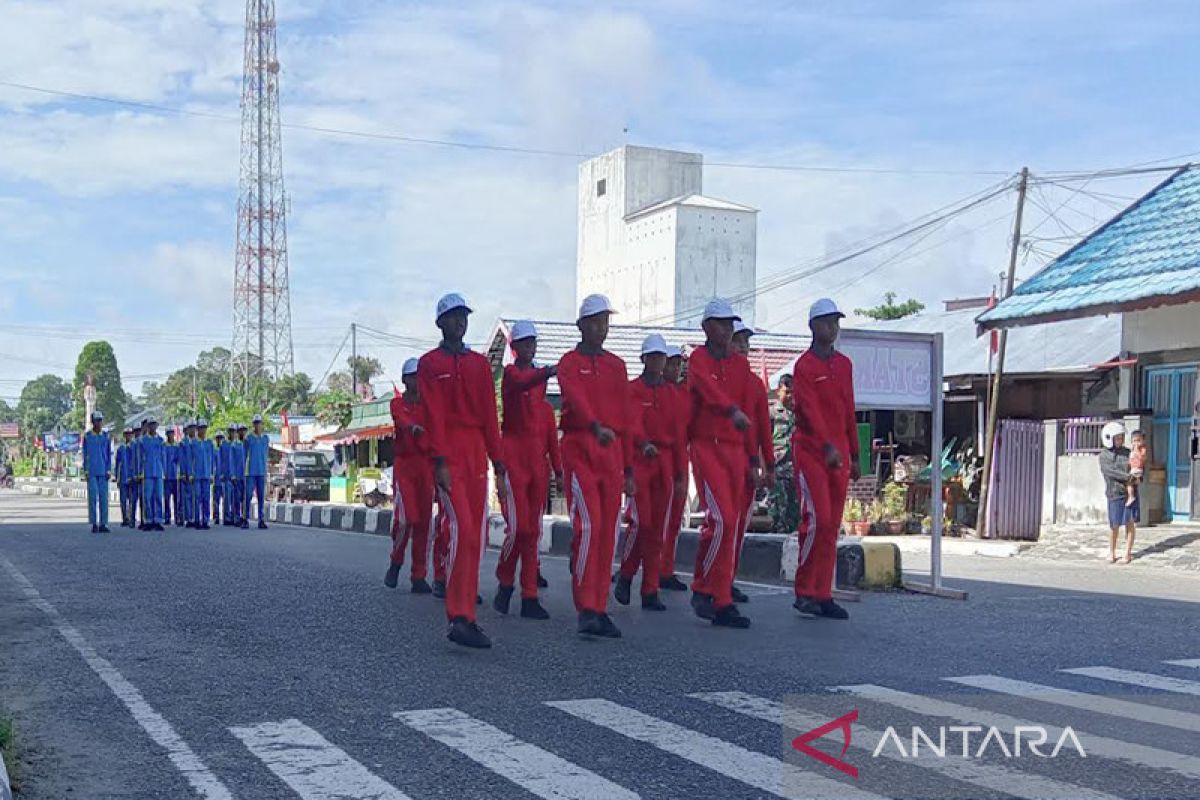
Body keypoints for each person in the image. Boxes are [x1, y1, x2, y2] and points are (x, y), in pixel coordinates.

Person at [418, 293, 506, 649]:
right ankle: (457, 614)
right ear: (440, 322)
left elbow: (489, 415)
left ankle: (467, 613)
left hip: (475, 455)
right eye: (453, 316)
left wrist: (498, 463)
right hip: (449, 453)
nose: (460, 321)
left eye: (464, 316)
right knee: (461, 529)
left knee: (476, 537)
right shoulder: (429, 364)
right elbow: (432, 415)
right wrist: (439, 461)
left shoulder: (479, 365)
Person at [558, 294, 635, 638]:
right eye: (596, 322)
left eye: (606, 322)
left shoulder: (617, 366)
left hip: (612, 450)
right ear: (581, 326)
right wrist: (593, 426)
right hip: (581, 447)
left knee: (608, 531)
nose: (602, 329)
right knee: (588, 527)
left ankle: (599, 606)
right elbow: (574, 397)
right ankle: (585, 606)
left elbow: (628, 418)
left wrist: (629, 467)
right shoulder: (568, 362)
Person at [686, 299, 757, 629]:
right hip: (706, 446)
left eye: (731, 324)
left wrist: (754, 458)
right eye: (721, 323)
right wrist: (730, 411)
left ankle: (711, 590)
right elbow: (706, 388)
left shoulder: (740, 366)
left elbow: (751, 415)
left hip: (735, 450)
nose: (728, 329)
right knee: (723, 518)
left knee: (730, 522)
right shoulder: (698, 359)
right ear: (706, 328)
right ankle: (713, 593)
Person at [792, 298, 859, 620]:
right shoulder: (804, 366)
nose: (832, 328)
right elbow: (808, 410)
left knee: (833, 524)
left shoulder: (844, 364)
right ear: (812, 326)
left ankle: (823, 592)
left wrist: (856, 455)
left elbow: (849, 410)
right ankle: (804, 590)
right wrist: (825, 445)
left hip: (840, 454)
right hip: (812, 452)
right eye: (826, 322)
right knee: (816, 519)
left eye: (836, 322)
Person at [616, 334, 685, 611]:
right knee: (641, 524)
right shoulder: (632, 390)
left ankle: (650, 589)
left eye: (661, 357)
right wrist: (642, 445)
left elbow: (679, 436)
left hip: (665, 461)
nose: (657, 362)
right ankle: (627, 574)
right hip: (640, 459)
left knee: (659, 528)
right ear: (643, 359)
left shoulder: (672, 394)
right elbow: (630, 424)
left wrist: (680, 474)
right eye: (653, 356)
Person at [494, 320, 557, 620]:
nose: (530, 347)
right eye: (525, 342)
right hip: (515, 458)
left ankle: (529, 594)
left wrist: (556, 468)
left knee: (532, 532)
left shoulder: (542, 400)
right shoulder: (510, 375)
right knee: (518, 528)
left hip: (536, 463)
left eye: (533, 342)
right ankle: (505, 580)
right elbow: (522, 384)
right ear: (514, 347)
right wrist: (547, 372)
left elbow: (548, 434)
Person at [730, 321, 775, 604]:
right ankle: (712, 582)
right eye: (738, 341)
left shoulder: (756, 384)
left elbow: (762, 430)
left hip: (749, 463)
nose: (744, 347)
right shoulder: (721, 380)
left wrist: (767, 465)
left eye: (746, 341)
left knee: (739, 524)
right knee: (723, 522)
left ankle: (727, 579)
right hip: (725, 458)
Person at [386, 358, 435, 594]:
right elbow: (401, 419)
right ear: (405, 380)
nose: (418, 381)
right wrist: (412, 427)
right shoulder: (397, 403)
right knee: (406, 519)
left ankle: (419, 575)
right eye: (414, 377)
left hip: (426, 466)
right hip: (405, 466)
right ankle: (396, 560)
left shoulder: (430, 404)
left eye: (421, 376)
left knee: (425, 522)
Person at [659, 344, 690, 592]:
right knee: (651, 519)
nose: (675, 368)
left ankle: (665, 568)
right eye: (671, 363)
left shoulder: (682, 393)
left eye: (678, 364)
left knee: (675, 517)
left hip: (679, 455)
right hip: (655, 456)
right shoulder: (653, 391)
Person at [1099, 421, 1137, 564]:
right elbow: (1110, 472)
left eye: (1121, 437)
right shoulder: (1104, 456)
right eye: (1118, 438)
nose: (1120, 440)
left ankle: (1127, 553)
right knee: (1114, 525)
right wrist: (1128, 477)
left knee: (1130, 523)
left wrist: (1137, 476)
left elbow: (1136, 465)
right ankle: (1112, 552)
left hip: (1129, 493)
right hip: (1114, 493)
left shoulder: (1127, 453)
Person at [768, 374, 799, 534]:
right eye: (786, 392)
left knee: (796, 518)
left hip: (797, 472)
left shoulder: (800, 413)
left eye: (793, 392)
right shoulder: (772, 413)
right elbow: (762, 440)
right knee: (779, 518)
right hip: (778, 472)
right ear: (778, 391)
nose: (790, 396)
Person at [82, 412, 112, 533]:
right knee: (93, 498)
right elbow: (85, 454)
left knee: (104, 498)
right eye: (97, 421)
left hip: (103, 470)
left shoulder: (106, 436)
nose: (99, 423)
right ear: (92, 422)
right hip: (92, 471)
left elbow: (109, 454)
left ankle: (103, 523)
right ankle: (94, 523)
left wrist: (109, 469)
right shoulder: (88, 436)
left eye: (100, 420)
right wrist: (86, 470)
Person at [140, 417, 166, 531]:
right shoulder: (143, 440)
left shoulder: (160, 440)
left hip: (158, 472)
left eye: (154, 425)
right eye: (150, 425)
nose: (152, 427)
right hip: (148, 471)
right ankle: (148, 520)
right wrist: (140, 472)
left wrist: (164, 471)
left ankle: (158, 520)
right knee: (148, 497)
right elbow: (139, 457)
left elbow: (163, 457)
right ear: (147, 427)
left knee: (159, 497)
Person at [244, 415, 270, 529]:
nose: (258, 425)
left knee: (261, 497)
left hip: (261, 471)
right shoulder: (249, 438)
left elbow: (266, 454)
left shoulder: (265, 439)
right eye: (256, 423)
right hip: (250, 471)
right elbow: (244, 455)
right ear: (253, 425)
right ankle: (245, 519)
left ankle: (261, 519)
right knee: (248, 496)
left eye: (259, 423)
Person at [193, 420, 215, 529]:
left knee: (206, 498)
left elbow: (212, 459)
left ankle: (205, 520)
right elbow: (190, 459)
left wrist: (212, 473)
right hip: (196, 474)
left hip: (206, 474)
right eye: (201, 428)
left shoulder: (209, 443)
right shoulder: (194, 443)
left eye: (204, 428)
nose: (203, 430)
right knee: (197, 497)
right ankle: (197, 520)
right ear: (197, 429)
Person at [116, 428, 135, 527]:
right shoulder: (120, 448)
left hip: (132, 477)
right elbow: (118, 464)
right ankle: (125, 518)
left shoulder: (134, 447)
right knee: (123, 500)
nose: (128, 436)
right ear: (124, 436)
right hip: (123, 477)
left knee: (132, 499)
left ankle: (131, 518)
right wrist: (117, 477)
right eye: (126, 434)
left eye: (130, 434)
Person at [181, 422, 197, 528]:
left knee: (196, 496)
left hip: (197, 473)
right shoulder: (183, 443)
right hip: (187, 473)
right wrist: (183, 472)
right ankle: (188, 518)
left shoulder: (197, 442)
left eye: (193, 428)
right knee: (188, 496)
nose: (191, 430)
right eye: (189, 428)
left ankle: (195, 517)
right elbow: (182, 459)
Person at [232, 424, 248, 527]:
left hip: (246, 475)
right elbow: (231, 461)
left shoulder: (248, 444)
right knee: (237, 498)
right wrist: (233, 474)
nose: (242, 432)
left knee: (245, 498)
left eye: (244, 430)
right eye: (240, 431)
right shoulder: (234, 445)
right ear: (237, 432)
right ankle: (236, 517)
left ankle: (244, 517)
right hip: (237, 475)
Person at [1126, 429, 1147, 508]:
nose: (1136, 443)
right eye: (1134, 441)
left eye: (1138, 440)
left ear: (1143, 441)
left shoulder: (1142, 449)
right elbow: (1131, 459)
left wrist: (1137, 450)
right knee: (1132, 484)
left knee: (1129, 483)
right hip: (1133, 470)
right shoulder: (1132, 450)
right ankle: (1132, 496)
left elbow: (1142, 458)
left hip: (1137, 470)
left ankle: (1131, 496)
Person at [164, 428, 181, 526]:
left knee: (176, 498)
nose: (170, 435)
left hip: (175, 475)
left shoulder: (177, 446)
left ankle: (177, 517)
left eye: (171, 433)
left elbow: (179, 459)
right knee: (166, 498)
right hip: (166, 476)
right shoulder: (164, 446)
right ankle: (167, 517)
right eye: (168, 433)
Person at [223, 425, 239, 525]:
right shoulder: (224, 444)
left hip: (236, 475)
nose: (232, 433)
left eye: (234, 431)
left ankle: (235, 517)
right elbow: (221, 459)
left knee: (235, 497)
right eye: (230, 431)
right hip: (227, 474)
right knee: (227, 497)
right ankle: (226, 517)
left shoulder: (238, 444)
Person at [212, 431, 227, 525]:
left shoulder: (225, 451)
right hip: (216, 478)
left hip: (224, 478)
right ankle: (216, 516)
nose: (219, 440)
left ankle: (226, 516)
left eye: (221, 438)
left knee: (225, 499)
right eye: (218, 438)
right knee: (216, 499)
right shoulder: (214, 451)